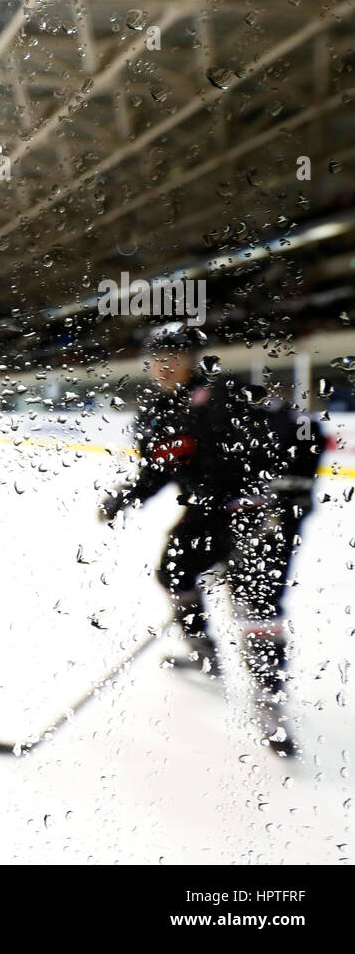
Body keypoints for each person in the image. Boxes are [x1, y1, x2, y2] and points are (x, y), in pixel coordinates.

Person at [99, 323, 323, 757]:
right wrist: (127, 496)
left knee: (256, 604)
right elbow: (161, 468)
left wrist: (292, 490)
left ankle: (269, 702)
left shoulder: (230, 394)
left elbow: (307, 432)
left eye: (175, 357)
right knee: (174, 571)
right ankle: (205, 652)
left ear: (192, 360)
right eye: (157, 359)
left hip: (264, 512)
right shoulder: (156, 414)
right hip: (208, 513)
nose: (164, 367)